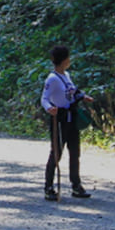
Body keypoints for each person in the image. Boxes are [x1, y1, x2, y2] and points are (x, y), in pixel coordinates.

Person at [40, 45, 94, 201]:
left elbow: (73, 91)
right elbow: (44, 98)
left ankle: (76, 185)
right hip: (60, 117)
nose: (70, 60)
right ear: (63, 60)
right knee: (56, 152)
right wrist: (50, 108)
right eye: (68, 58)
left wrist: (84, 97)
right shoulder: (52, 79)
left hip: (72, 116)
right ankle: (48, 187)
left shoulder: (67, 75)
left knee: (75, 152)